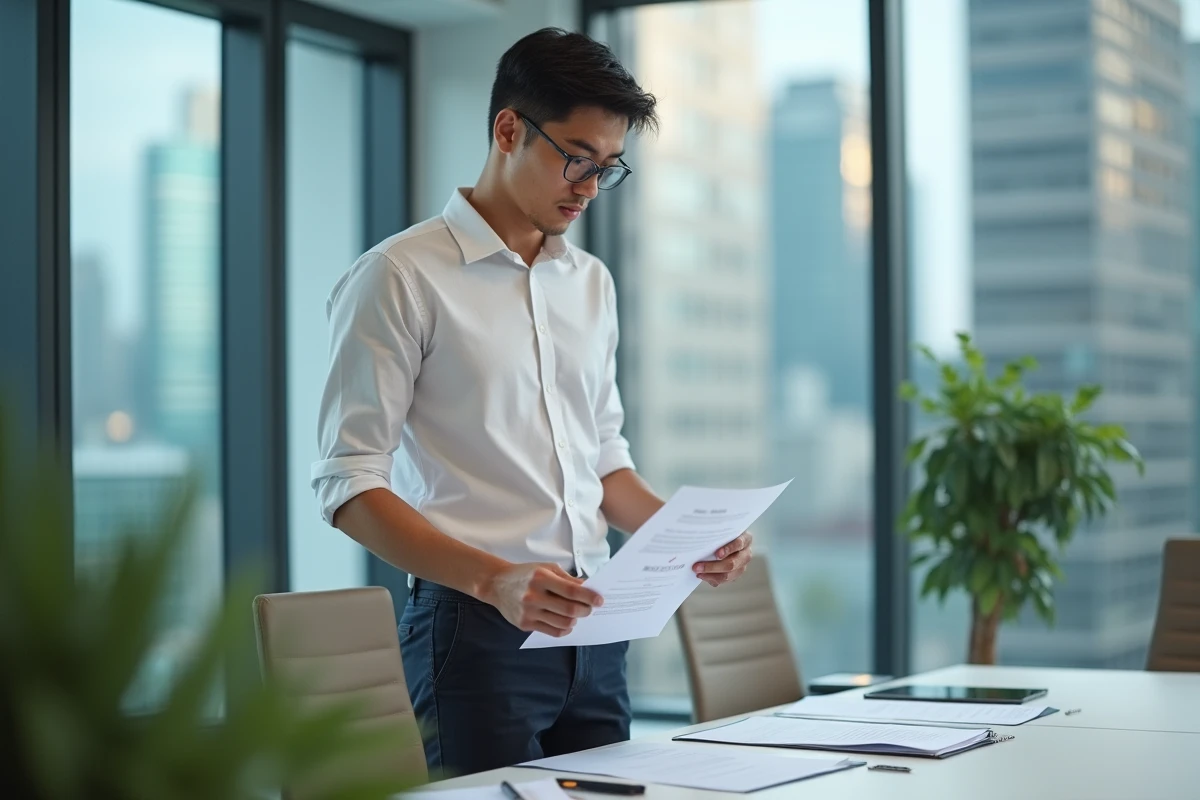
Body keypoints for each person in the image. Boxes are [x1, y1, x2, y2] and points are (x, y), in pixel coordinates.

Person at [311, 27, 754, 778]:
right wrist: (494, 578)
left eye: (608, 168)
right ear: (508, 128)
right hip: (475, 633)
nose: (587, 185)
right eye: (576, 158)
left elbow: (602, 462)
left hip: (597, 627)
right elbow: (348, 483)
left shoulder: (590, 284)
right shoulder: (398, 277)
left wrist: (684, 535)